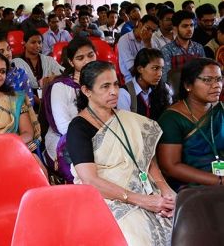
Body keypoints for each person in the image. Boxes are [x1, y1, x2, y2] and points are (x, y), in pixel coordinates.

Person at [67, 61, 174, 245]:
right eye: (105, 86)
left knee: (182, 222)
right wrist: (141, 201)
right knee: (137, 237)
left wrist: (165, 189)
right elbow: (91, 181)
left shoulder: (127, 119)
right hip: (107, 196)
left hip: (146, 190)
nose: (114, 91)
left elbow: (147, 160)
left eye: (116, 84)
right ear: (86, 91)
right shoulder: (78, 128)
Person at [157, 58, 223, 190]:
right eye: (208, 80)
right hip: (192, 188)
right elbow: (170, 167)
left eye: (219, 79)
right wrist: (218, 181)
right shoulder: (172, 119)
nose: (217, 85)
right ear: (188, 85)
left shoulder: (220, 109)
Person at [42, 37, 97, 183]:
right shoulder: (61, 87)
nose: (87, 61)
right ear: (72, 62)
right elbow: (63, 126)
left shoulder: (103, 81)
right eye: (80, 58)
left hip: (99, 135)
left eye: (91, 55)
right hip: (65, 139)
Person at [117, 48, 171, 120]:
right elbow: (126, 125)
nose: (160, 74)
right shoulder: (124, 93)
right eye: (155, 68)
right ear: (140, 69)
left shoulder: (164, 88)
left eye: (161, 69)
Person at [13, 29, 64, 98]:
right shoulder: (16, 63)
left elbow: (64, 73)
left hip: (49, 97)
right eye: (33, 42)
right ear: (24, 43)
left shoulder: (49, 60)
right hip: (26, 100)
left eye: (40, 42)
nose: (37, 45)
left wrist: (53, 77)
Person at [161, 10, 205, 84]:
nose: (189, 29)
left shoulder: (198, 47)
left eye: (191, 25)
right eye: (185, 26)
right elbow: (166, 79)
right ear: (175, 28)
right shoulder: (167, 50)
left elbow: (204, 72)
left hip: (198, 88)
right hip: (176, 91)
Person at [0, 37, 34, 106]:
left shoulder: (20, 73)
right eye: (1, 51)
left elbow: (30, 101)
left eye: (8, 49)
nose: (7, 53)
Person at [118, 15, 159, 83]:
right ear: (140, 24)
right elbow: (132, 70)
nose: (150, 33)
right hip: (131, 80)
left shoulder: (151, 41)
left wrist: (147, 44)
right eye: (148, 28)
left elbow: (156, 64)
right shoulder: (124, 40)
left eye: (153, 31)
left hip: (150, 78)